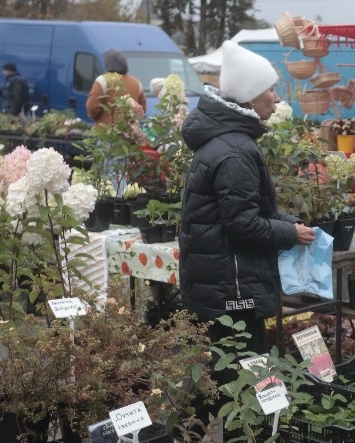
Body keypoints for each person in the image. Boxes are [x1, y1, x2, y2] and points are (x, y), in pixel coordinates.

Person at [179, 42, 315, 361]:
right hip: (234, 287)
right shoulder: (235, 152)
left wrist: (287, 222)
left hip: (225, 280)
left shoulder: (229, 143)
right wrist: (290, 235)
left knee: (229, 366)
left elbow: (247, 209)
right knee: (240, 367)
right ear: (251, 96)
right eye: (270, 89)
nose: (277, 98)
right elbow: (243, 225)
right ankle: (238, 413)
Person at [86, 49, 147, 126]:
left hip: (106, 132)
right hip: (130, 131)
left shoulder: (102, 80)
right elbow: (142, 108)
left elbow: (92, 107)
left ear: (108, 64)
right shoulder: (136, 82)